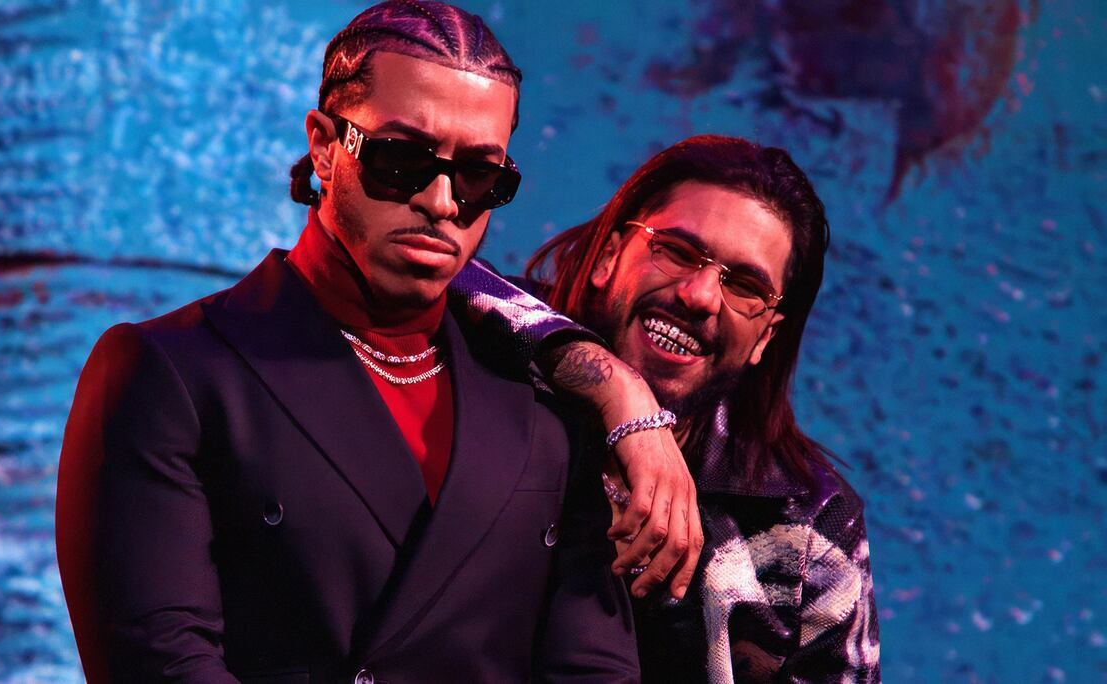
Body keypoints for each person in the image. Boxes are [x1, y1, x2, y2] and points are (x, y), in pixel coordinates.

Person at [55, 2, 702, 681]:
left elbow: (592, 670)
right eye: (401, 159)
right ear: (324, 146)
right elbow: (162, 664)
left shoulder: (545, 399)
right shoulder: (171, 373)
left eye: (479, 175)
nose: (443, 202)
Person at [454, 135, 880, 682]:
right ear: (609, 255)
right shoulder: (490, 338)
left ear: (765, 337)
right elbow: (433, 272)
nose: (699, 295)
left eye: (744, 285)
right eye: (677, 251)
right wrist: (618, 393)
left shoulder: (811, 528)